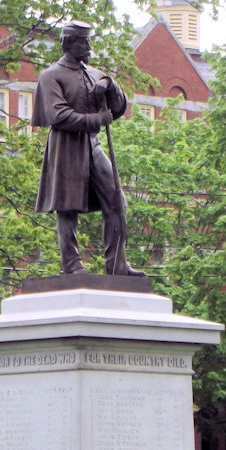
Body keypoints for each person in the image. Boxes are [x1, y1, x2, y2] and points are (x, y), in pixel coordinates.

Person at [33, 21, 144, 276]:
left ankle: (117, 265)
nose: (90, 48)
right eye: (84, 42)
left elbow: (118, 107)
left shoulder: (95, 75)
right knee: (67, 206)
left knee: (116, 199)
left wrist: (110, 84)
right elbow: (59, 115)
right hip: (65, 146)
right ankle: (72, 265)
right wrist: (96, 120)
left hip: (93, 144)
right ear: (68, 44)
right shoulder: (51, 76)